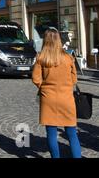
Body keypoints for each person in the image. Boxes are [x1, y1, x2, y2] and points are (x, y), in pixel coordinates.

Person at [32, 29, 81, 158]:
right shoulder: (68, 57)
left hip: (48, 98)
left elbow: (36, 78)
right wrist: (66, 86)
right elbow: (74, 79)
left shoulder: (41, 57)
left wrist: (44, 87)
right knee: (72, 133)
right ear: (59, 40)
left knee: (52, 134)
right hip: (66, 98)